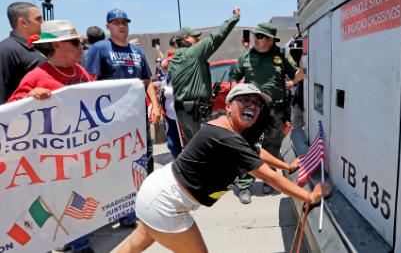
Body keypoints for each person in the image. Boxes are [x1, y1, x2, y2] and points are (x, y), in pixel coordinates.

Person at [117, 83, 331, 253]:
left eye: (256, 103)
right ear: (228, 106)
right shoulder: (226, 137)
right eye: (244, 100)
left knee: (132, 248)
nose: (252, 106)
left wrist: (286, 165)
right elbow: (270, 178)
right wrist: (309, 196)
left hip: (158, 193)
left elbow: (255, 151)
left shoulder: (229, 130)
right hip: (167, 203)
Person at [8, 20, 95, 253]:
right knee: (55, 204)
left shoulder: (81, 72)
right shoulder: (36, 76)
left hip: (80, 154)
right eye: (75, 42)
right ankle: (72, 245)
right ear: (57, 45)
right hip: (50, 161)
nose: (81, 47)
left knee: (78, 199)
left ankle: (79, 242)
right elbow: (10, 115)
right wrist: (29, 99)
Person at [84, 8, 159, 228]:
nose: (121, 25)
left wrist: (155, 105)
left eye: (124, 21)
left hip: (136, 119)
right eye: (115, 22)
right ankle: (121, 211)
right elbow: (90, 81)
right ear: (108, 26)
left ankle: (142, 204)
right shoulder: (100, 48)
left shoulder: (137, 52)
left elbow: (147, 82)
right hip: (111, 121)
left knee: (143, 161)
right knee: (116, 166)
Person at [229, 22, 305, 204]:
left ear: (271, 40)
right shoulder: (246, 55)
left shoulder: (281, 55)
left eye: (261, 36)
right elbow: (234, 77)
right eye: (256, 35)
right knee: (247, 147)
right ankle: (245, 185)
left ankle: (269, 182)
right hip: (251, 109)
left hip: (275, 111)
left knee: (272, 146)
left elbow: (298, 73)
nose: (257, 39)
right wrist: (234, 100)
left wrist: (294, 80)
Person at [169, 7, 240, 145]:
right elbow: (216, 37)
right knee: (208, 151)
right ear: (187, 39)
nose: (197, 40)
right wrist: (234, 17)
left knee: (194, 153)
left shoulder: (173, 61)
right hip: (197, 115)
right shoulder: (194, 53)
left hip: (183, 115)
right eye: (195, 37)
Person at [0, 2, 45, 104]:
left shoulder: (41, 46)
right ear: (23, 22)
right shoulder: (6, 50)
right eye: (38, 19)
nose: (43, 22)